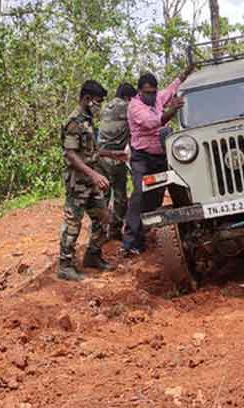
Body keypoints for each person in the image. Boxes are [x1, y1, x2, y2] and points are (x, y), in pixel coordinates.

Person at [121, 64, 196, 257]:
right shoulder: (135, 107)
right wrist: (172, 109)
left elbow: (171, 89)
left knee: (174, 188)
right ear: (139, 92)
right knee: (139, 195)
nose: (151, 96)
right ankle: (130, 242)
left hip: (162, 154)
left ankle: (189, 230)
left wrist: (184, 74)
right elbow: (153, 122)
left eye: (153, 92)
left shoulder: (157, 99)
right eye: (147, 93)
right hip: (142, 157)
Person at [58, 80, 128, 281]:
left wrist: (113, 154)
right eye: (98, 101)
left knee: (105, 217)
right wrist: (95, 175)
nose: (100, 106)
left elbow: (90, 151)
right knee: (73, 223)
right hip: (77, 182)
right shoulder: (74, 122)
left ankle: (93, 255)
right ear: (87, 99)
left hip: (90, 181)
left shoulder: (87, 120)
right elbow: (70, 155)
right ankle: (65, 265)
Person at [98, 83, 136, 240]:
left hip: (100, 156)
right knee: (120, 196)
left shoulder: (107, 106)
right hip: (115, 157)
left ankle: (99, 232)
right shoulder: (127, 107)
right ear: (128, 97)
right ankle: (114, 231)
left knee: (103, 196)